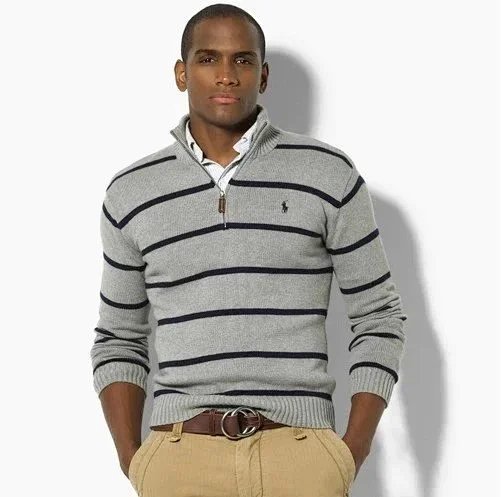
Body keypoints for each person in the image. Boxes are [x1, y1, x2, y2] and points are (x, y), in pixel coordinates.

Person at [90, 4, 408, 496]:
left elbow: (378, 316)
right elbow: (118, 337)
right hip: (179, 456)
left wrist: (350, 452)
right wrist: (135, 461)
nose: (226, 74)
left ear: (263, 75)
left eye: (242, 60)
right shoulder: (132, 192)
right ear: (181, 73)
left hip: (300, 454)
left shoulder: (327, 174)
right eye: (207, 58)